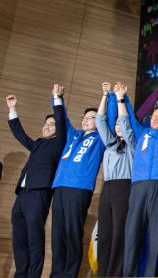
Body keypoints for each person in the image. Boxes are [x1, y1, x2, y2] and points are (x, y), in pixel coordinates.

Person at [6, 89, 66, 278]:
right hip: (22, 195)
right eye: (45, 124)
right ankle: (21, 274)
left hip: (38, 194)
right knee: (19, 239)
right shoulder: (38, 144)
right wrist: (12, 109)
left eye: (51, 124)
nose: (47, 127)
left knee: (34, 239)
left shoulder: (58, 143)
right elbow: (20, 135)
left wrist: (57, 99)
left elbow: (61, 122)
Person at [49, 84, 107, 278]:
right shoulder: (73, 135)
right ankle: (56, 274)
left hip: (79, 189)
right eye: (84, 117)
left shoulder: (100, 138)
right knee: (57, 235)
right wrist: (58, 98)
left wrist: (106, 97)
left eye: (91, 118)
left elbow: (104, 118)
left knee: (72, 234)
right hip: (59, 187)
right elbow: (61, 120)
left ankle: (69, 274)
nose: (86, 120)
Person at [119, 91, 158, 277]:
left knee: (156, 235)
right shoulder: (143, 133)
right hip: (139, 186)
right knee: (131, 233)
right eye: (153, 115)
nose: (155, 118)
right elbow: (127, 119)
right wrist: (122, 98)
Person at [95, 82, 135, 277]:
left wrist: (120, 99)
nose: (119, 126)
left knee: (119, 233)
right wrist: (105, 95)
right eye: (116, 123)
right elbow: (99, 121)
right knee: (104, 234)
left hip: (124, 188)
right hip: (108, 188)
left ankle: (115, 274)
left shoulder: (133, 144)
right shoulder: (111, 144)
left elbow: (126, 125)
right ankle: (102, 272)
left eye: (121, 123)